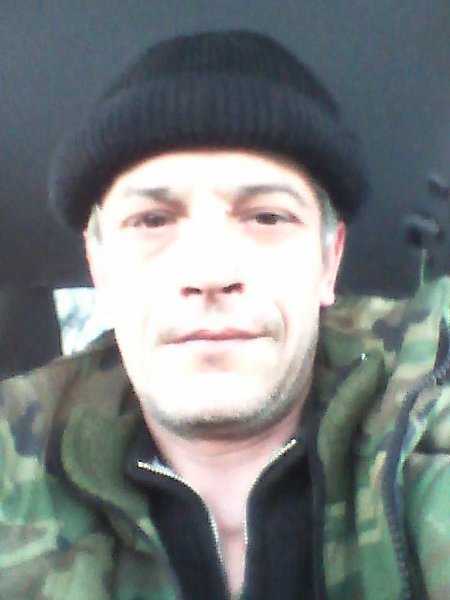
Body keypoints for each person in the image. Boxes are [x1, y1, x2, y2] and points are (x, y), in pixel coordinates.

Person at [0, 30, 448, 600]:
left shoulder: (424, 416)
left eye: (267, 217)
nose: (209, 272)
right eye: (152, 221)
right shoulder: (13, 458)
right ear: (101, 269)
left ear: (328, 262)